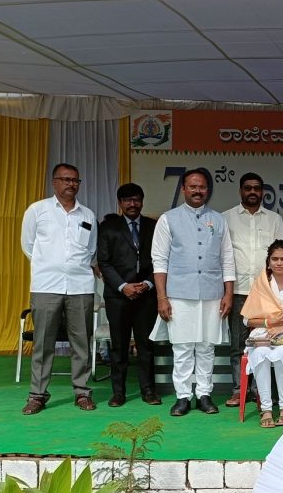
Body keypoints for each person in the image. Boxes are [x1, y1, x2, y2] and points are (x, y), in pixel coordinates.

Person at [151, 168, 236, 417]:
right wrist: (162, 297)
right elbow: (159, 261)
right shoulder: (168, 219)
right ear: (183, 189)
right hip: (178, 294)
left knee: (207, 346)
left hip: (212, 294)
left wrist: (228, 294)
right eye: (193, 187)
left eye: (202, 187)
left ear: (208, 190)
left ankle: (205, 394)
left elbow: (227, 259)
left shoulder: (219, 220)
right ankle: (183, 396)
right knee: (183, 347)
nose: (198, 191)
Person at [20, 163, 98, 415]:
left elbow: (91, 250)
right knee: (43, 342)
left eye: (75, 180)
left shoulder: (87, 215)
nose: (70, 184)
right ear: (54, 182)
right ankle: (37, 395)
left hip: (80, 286)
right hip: (46, 285)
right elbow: (28, 245)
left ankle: (82, 392)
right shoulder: (37, 210)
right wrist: (51, 266)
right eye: (65, 179)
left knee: (81, 342)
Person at [222, 172, 283, 407]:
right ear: (240, 191)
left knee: (264, 342)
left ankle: (261, 391)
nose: (252, 192)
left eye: (256, 188)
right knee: (238, 344)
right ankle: (239, 389)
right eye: (247, 188)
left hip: (265, 292)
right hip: (238, 290)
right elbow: (223, 255)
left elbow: (281, 256)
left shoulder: (274, 219)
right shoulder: (226, 218)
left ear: (262, 192)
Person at [97, 182, 162, 407]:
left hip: (146, 294)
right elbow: (103, 262)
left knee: (146, 345)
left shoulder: (154, 226)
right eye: (127, 200)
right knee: (119, 345)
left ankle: (148, 390)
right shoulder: (108, 227)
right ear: (120, 203)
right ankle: (118, 392)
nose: (132, 204)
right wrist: (123, 286)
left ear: (142, 201)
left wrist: (147, 283)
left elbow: (161, 261)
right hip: (118, 296)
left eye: (136, 200)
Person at [240, 240, 283, 429]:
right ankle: (267, 409)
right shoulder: (261, 285)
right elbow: (247, 320)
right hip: (263, 334)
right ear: (268, 262)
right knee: (261, 354)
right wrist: (267, 323)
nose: (279, 263)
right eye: (275, 259)